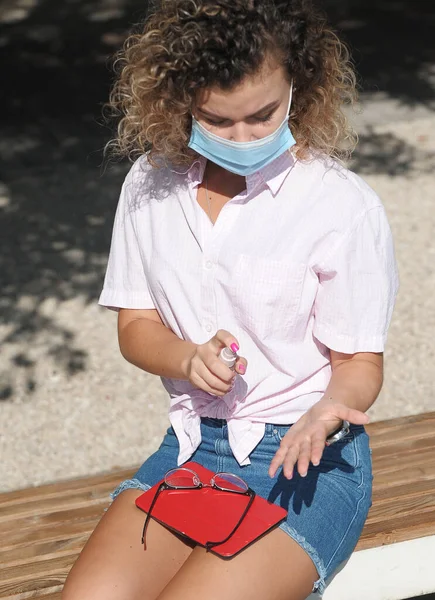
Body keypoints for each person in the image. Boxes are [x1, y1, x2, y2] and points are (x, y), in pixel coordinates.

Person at [62, 1, 398, 599]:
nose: (244, 138)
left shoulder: (343, 206)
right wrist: (186, 358)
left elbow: (359, 365)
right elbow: (135, 325)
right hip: (193, 445)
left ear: (300, 85)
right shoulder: (148, 183)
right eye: (218, 121)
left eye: (263, 115)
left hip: (306, 461)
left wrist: (329, 411)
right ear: (180, 101)